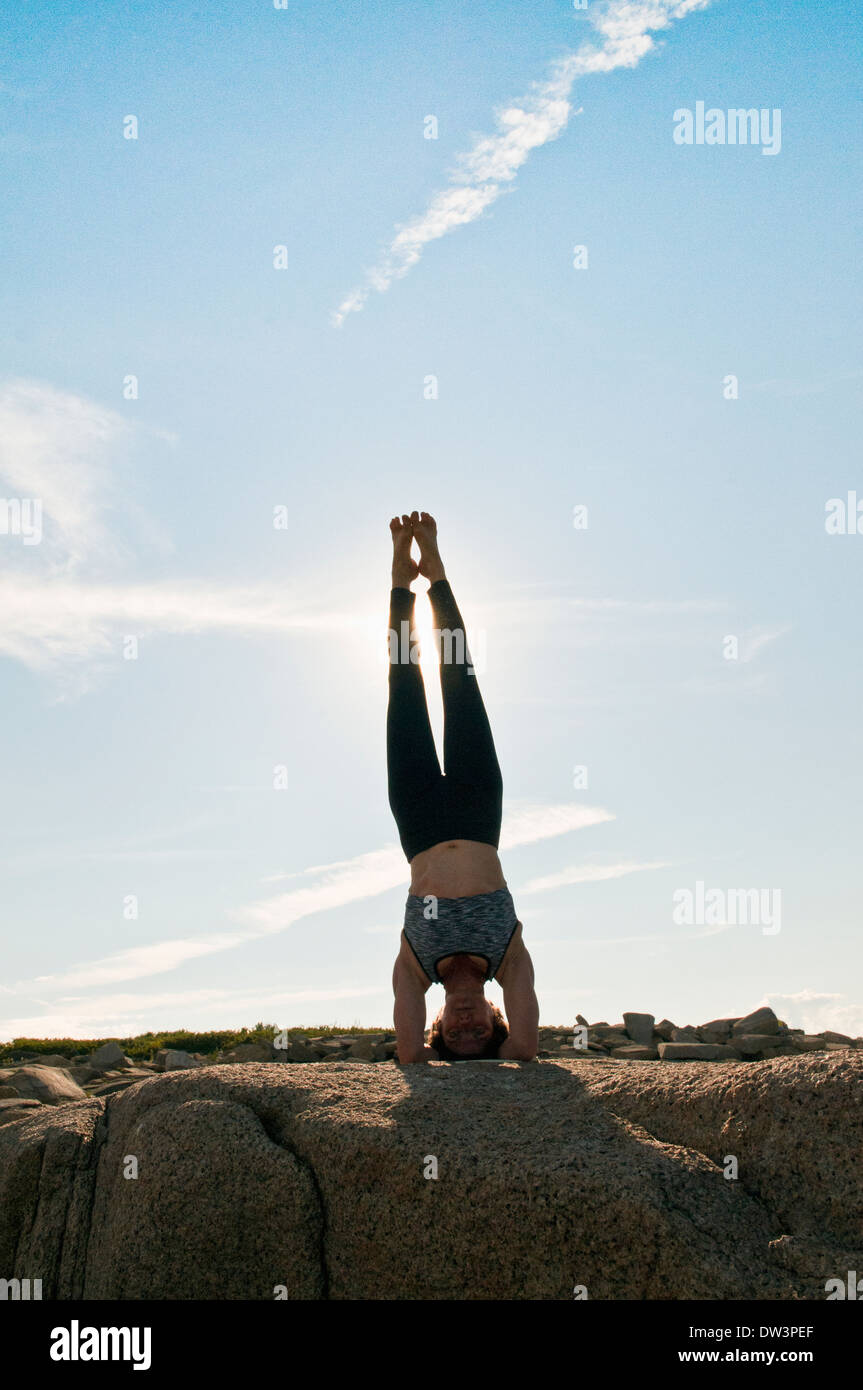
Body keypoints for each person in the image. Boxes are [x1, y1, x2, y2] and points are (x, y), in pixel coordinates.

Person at [388, 511, 539, 1062]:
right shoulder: (508, 957)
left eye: (456, 1036)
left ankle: (401, 583)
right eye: (480, 1033)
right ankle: (438, 574)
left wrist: (420, 1057)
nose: (467, 1026)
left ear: (440, 1025)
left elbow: (409, 1056)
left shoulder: (416, 966)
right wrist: (512, 1053)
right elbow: (525, 1049)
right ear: (495, 1020)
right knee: (459, 677)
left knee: (403, 685)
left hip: (419, 819)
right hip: (478, 813)